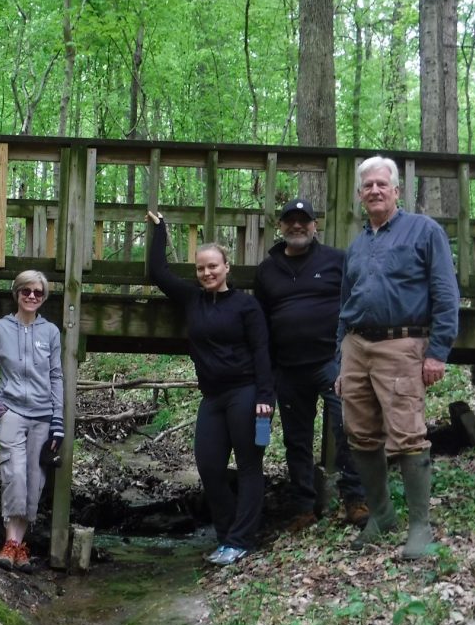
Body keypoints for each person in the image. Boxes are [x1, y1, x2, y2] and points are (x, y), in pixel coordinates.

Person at [335, 155, 459, 560]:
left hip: (402, 345)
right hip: (356, 347)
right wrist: (341, 359)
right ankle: (382, 514)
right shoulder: (357, 245)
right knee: (360, 434)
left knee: (408, 434)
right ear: (360, 194)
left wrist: (437, 352)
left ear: (396, 190)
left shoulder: (424, 231)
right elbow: (345, 303)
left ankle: (420, 528)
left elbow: (445, 293)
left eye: (381, 184)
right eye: (367, 186)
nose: (374, 190)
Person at [146, 211, 273, 566]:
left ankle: (241, 539)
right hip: (212, 396)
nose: (207, 273)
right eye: (201, 268)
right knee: (210, 465)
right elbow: (159, 273)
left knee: (249, 466)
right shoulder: (192, 300)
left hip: (245, 393)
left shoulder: (247, 305)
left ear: (226, 267)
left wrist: (266, 397)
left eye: (213, 266)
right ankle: (228, 535)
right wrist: (159, 231)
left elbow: (262, 352)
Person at [253, 198, 368, 531]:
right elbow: (260, 322)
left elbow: (356, 303)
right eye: (290, 220)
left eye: (304, 220)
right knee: (296, 439)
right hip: (288, 368)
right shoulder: (267, 270)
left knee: (348, 427)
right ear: (281, 226)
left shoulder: (336, 260)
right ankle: (303, 507)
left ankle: (354, 499)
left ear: (315, 225)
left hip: (331, 361)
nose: (297, 226)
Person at [0, 270, 63, 573]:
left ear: (44, 298)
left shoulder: (51, 332)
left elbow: (56, 377)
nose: (32, 297)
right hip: (12, 412)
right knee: (14, 474)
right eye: (26, 291)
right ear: (16, 293)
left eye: (38, 293)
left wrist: (58, 421)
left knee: (34, 480)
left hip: (43, 416)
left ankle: (20, 545)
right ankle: (10, 542)